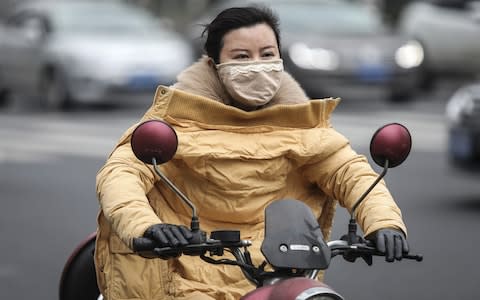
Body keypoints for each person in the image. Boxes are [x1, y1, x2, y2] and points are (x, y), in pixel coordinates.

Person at [94, 5, 410, 300]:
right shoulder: (170, 124)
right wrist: (146, 227)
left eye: (267, 54)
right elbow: (121, 175)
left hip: (277, 277)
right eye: (242, 56)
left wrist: (384, 223)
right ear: (213, 66)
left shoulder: (307, 129)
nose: (257, 65)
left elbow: (350, 173)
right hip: (182, 275)